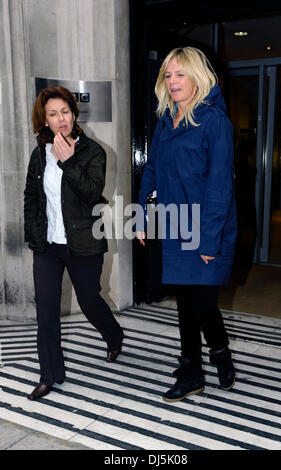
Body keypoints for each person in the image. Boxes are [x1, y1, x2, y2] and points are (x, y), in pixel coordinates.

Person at [137, 47, 237, 402]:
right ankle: (192, 366)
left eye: (180, 74)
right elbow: (151, 170)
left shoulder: (214, 121)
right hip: (175, 224)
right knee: (184, 301)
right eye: (168, 75)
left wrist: (210, 242)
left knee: (203, 303)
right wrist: (141, 217)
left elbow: (219, 188)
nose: (173, 81)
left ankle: (220, 351)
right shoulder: (166, 121)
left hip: (209, 228)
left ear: (197, 77)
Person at [24, 86, 124, 400]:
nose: (60, 119)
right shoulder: (39, 153)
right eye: (52, 114)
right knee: (46, 311)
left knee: (90, 300)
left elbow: (93, 193)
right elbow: (31, 197)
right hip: (48, 247)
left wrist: (68, 161)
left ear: (74, 112)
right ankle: (49, 375)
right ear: (44, 120)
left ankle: (113, 335)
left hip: (83, 243)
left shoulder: (93, 151)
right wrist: (33, 236)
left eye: (65, 111)